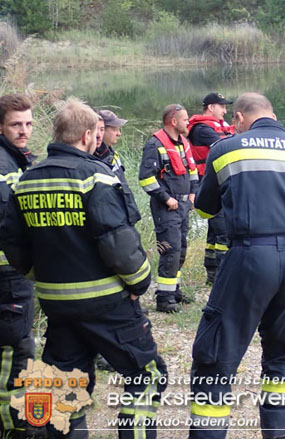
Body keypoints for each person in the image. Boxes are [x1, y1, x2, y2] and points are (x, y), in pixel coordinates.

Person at [0, 97, 166, 439]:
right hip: (106, 302)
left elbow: (14, 246)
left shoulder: (28, 179)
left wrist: (42, 278)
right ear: (89, 135)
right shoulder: (96, 177)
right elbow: (118, 244)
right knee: (148, 376)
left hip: (57, 305)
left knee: (64, 389)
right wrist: (139, 283)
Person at [189, 92, 285, 439]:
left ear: (240, 118)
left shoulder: (227, 148)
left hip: (250, 254)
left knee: (215, 359)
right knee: (283, 357)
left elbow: (204, 208)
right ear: (272, 115)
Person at [0, 93, 38, 438]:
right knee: (15, 348)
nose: (24, 131)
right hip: (8, 274)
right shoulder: (3, 166)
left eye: (28, 123)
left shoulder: (16, 159)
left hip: (12, 272)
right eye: (16, 124)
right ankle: (14, 425)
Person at [139, 104, 198, 313]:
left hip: (183, 206)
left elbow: (192, 172)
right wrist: (166, 199)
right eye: (185, 119)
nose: (188, 122)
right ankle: (164, 298)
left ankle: (174, 290)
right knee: (170, 251)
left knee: (181, 250)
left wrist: (192, 194)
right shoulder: (155, 145)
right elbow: (146, 179)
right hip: (167, 209)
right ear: (174, 121)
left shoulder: (183, 143)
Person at [187, 92, 234, 285]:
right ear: (210, 107)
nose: (225, 110)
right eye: (221, 106)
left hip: (219, 182)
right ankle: (224, 276)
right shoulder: (202, 129)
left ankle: (212, 274)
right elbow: (224, 147)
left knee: (214, 234)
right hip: (211, 185)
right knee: (222, 230)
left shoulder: (217, 127)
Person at [95, 109, 141, 225]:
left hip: (123, 217)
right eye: (115, 129)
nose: (119, 134)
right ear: (101, 130)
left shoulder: (110, 154)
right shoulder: (93, 158)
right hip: (110, 221)